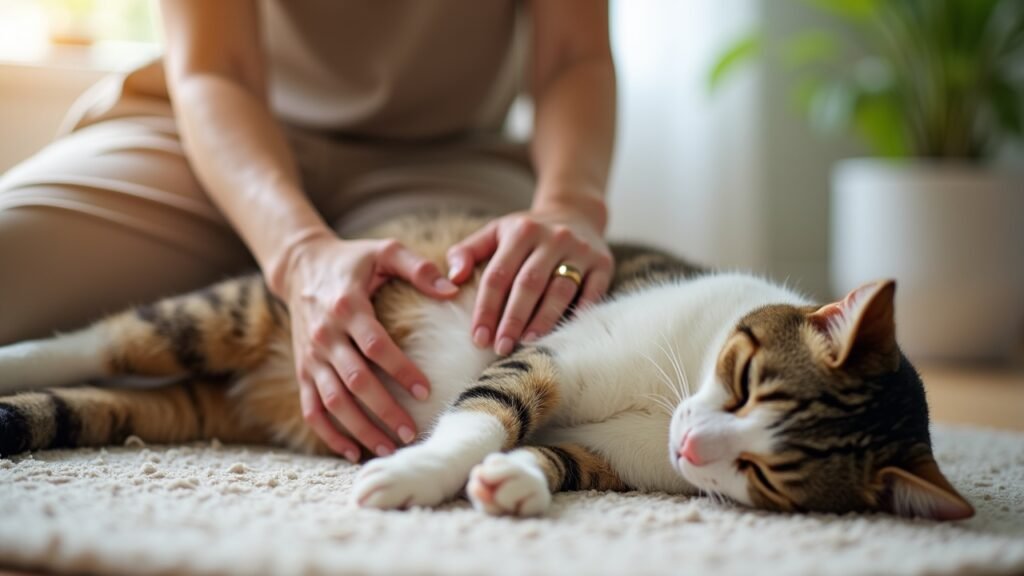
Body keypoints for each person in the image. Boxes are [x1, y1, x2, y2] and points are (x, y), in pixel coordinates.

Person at [0, 0, 616, 462]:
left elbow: (573, 55)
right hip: (210, 130)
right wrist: (295, 252)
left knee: (487, 373)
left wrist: (568, 206)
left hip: (445, 160)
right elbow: (217, 67)